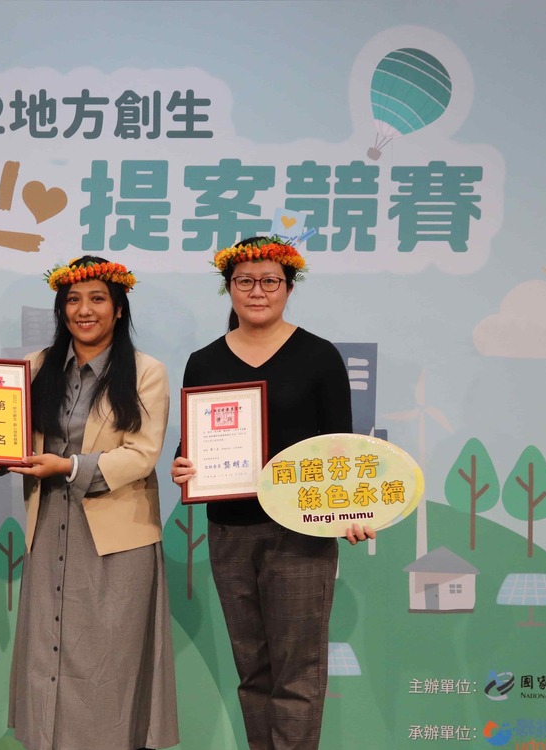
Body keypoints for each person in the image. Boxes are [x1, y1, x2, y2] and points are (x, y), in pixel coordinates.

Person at [170, 236, 375, 750]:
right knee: (253, 668)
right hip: (228, 532)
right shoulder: (204, 360)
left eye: (270, 281)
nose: (257, 291)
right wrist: (183, 466)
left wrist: (350, 508)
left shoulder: (319, 356)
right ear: (228, 288)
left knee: (298, 671)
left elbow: (341, 447)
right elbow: (193, 442)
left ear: (288, 287)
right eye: (244, 281)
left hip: (301, 532)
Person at [0, 256, 178, 750]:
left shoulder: (148, 372)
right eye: (72, 300)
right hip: (48, 533)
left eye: (97, 298)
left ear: (120, 307)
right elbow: (11, 435)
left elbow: (142, 456)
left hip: (118, 541)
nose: (83, 310)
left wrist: (68, 467)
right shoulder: (37, 367)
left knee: (110, 667)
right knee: (48, 656)